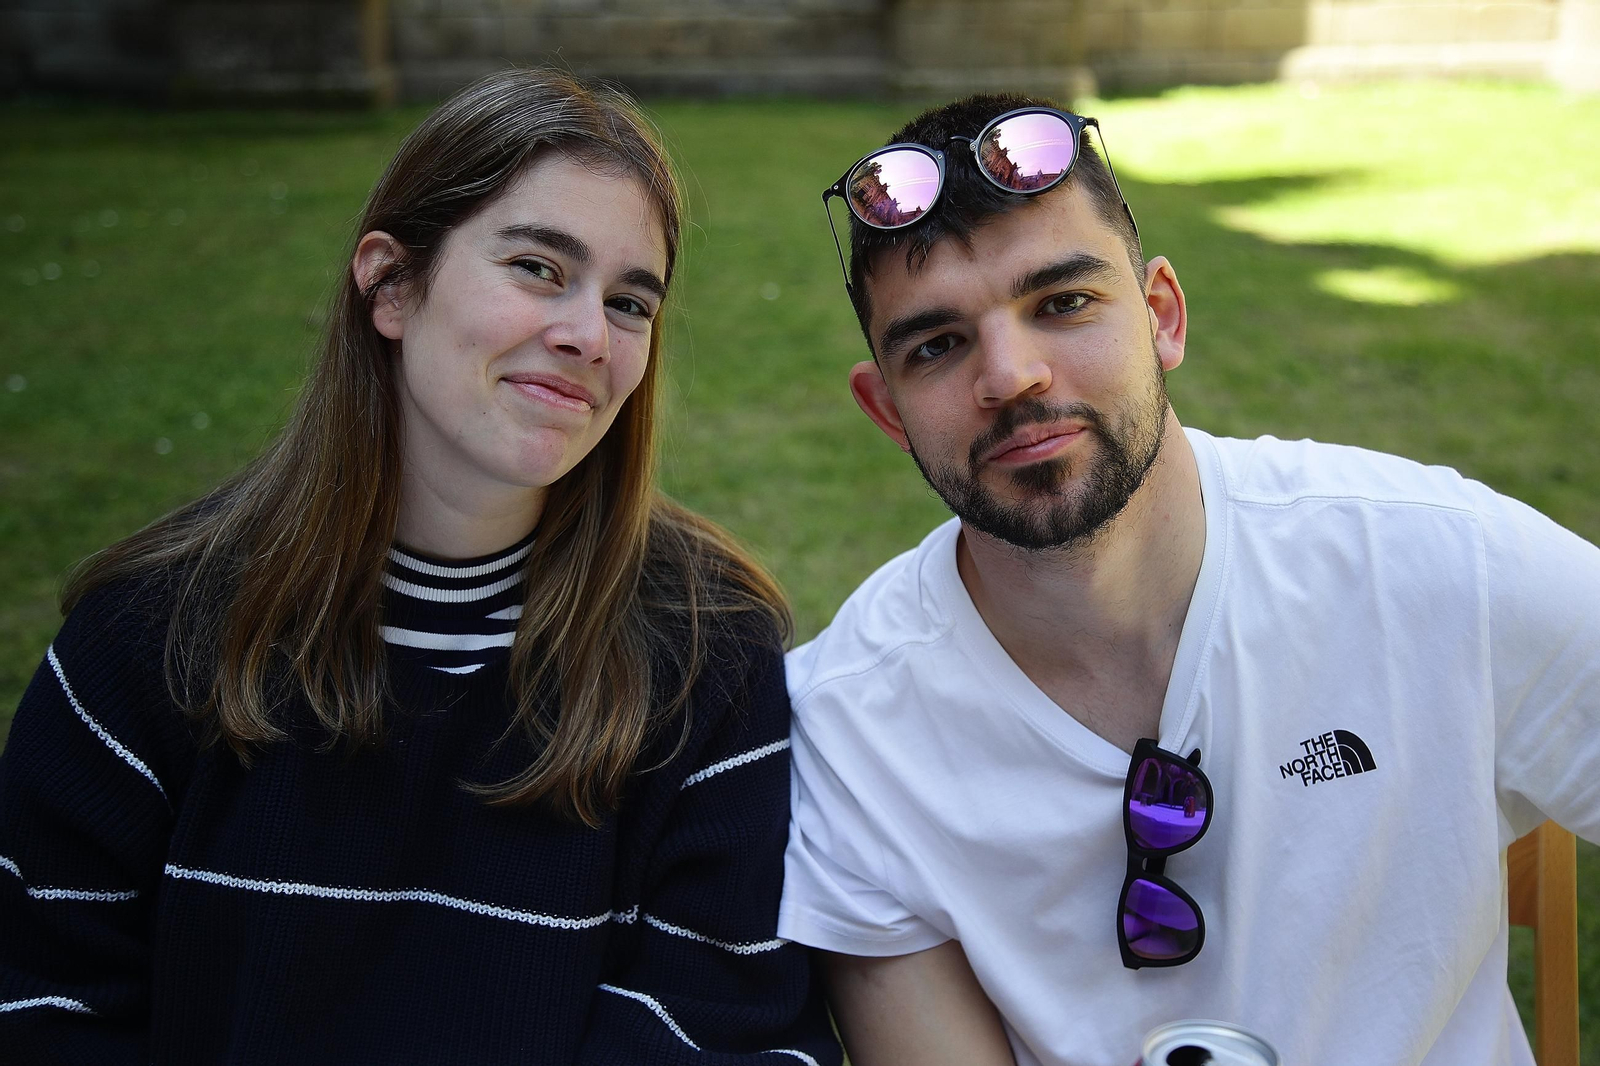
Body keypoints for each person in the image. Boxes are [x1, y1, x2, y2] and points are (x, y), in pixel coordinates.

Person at [0, 68, 840, 1066]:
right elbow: (42, 1005)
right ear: (391, 283)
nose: (585, 333)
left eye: (629, 301)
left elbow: (722, 1030)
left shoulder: (711, 654)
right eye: (536, 267)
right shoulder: (145, 637)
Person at [777, 92, 1600, 1066]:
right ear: (887, 408)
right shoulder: (850, 729)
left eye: (1062, 302)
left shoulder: (1431, 566)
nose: (1012, 374)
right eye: (937, 345)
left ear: (1161, 315)